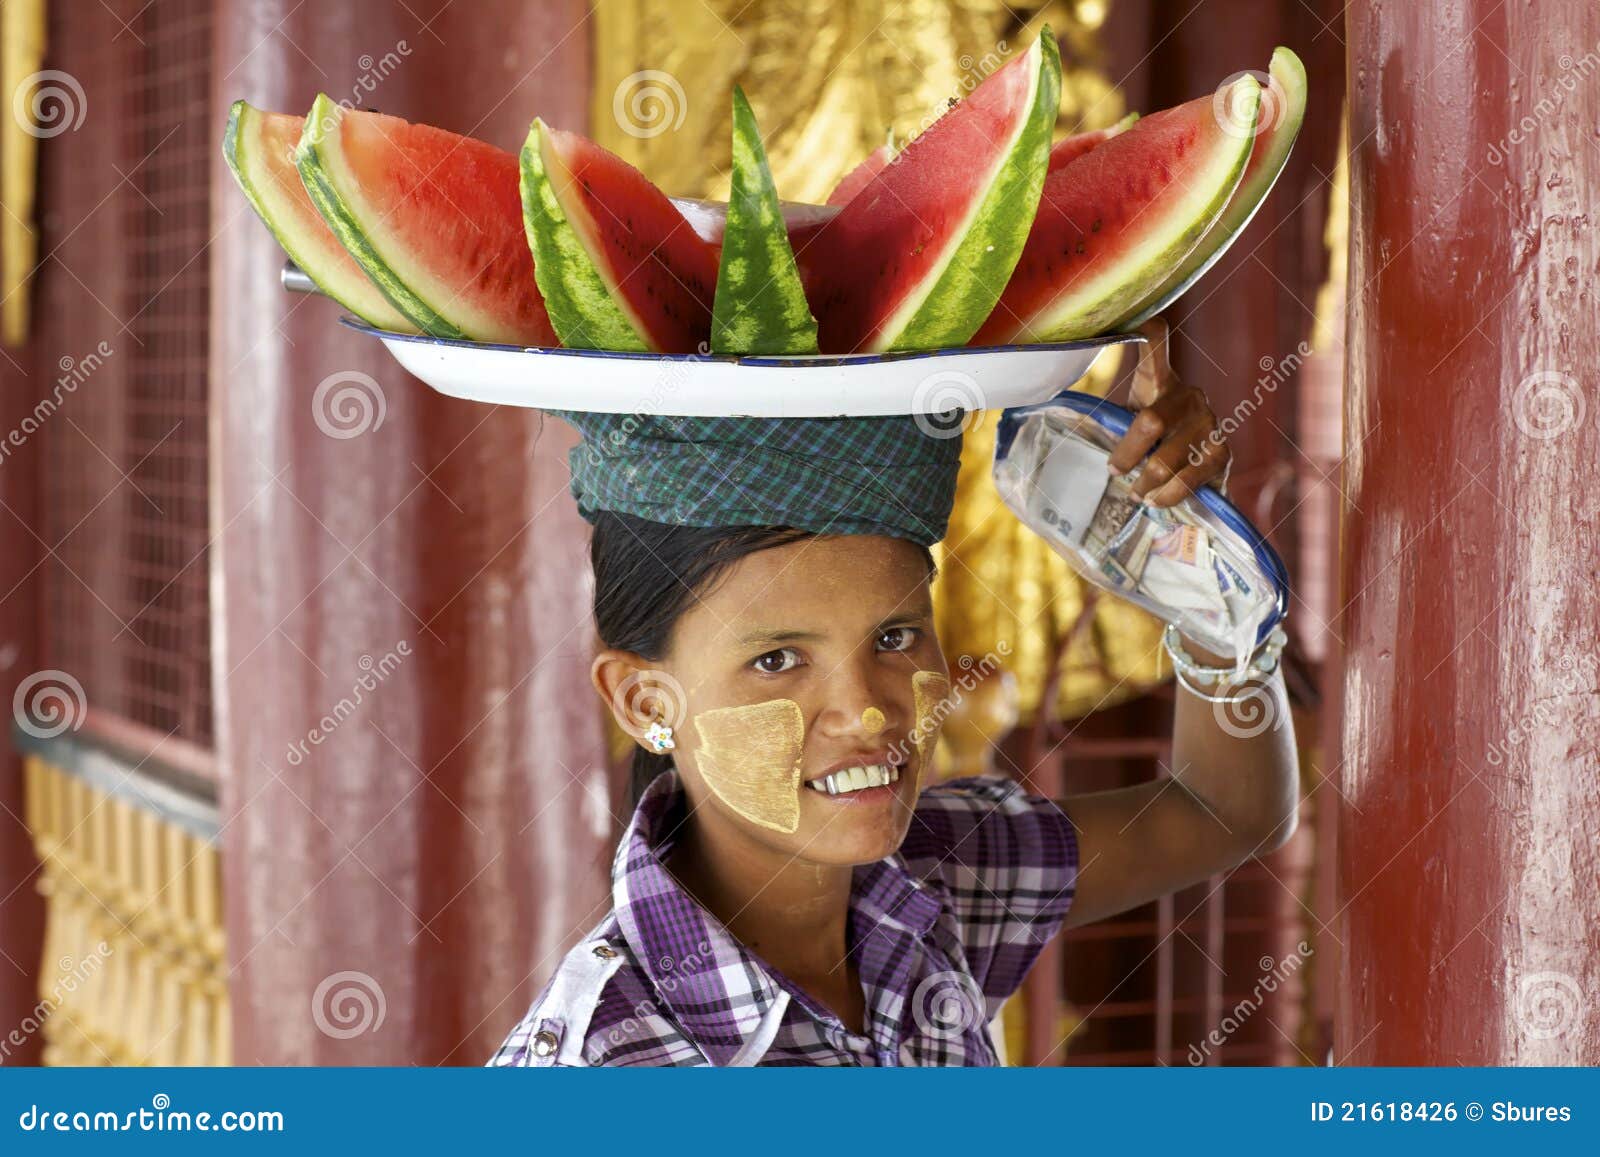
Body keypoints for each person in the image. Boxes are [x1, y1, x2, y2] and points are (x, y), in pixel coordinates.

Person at [490, 324, 1299, 1066]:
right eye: (777, 660)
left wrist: (1195, 568)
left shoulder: (930, 885)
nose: (870, 710)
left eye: (893, 638)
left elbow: (1224, 807)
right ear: (643, 702)